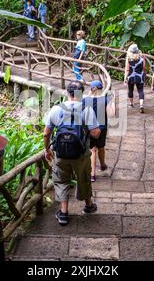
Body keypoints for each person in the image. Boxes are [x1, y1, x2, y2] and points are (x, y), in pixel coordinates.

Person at [44, 81, 100, 226]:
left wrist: (47, 149)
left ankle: (63, 213)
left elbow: (47, 133)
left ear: (67, 93)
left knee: (61, 180)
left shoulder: (56, 109)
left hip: (61, 153)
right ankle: (88, 206)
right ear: (80, 94)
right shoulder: (86, 110)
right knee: (84, 177)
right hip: (81, 154)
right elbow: (95, 133)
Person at [83, 80, 114, 182]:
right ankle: (102, 165)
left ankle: (92, 174)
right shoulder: (105, 99)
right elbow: (111, 114)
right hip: (101, 127)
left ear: (91, 89)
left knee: (92, 149)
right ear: (101, 89)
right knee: (101, 147)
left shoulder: (85, 99)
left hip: (89, 127)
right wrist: (112, 101)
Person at [124, 44, 146, 113]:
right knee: (140, 90)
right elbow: (144, 68)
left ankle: (131, 103)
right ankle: (141, 105)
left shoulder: (128, 59)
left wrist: (125, 78)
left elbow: (127, 69)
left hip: (131, 77)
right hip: (140, 77)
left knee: (130, 90)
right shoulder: (142, 58)